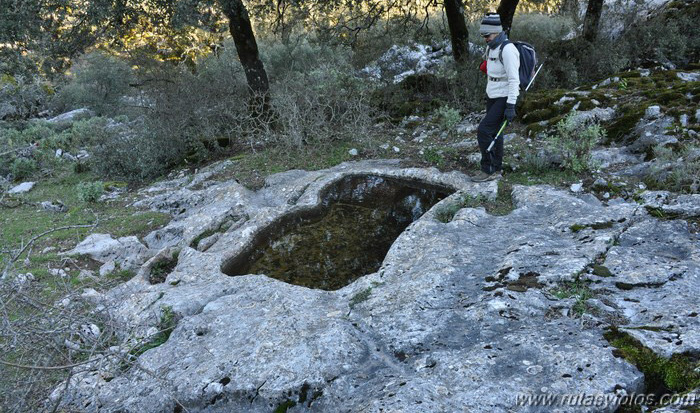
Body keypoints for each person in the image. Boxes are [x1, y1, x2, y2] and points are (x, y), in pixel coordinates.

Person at [472, 13, 520, 182]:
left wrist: (511, 105)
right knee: (496, 134)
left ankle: (487, 169)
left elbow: (514, 80)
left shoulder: (508, 50)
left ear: (497, 32)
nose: (485, 38)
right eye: (483, 35)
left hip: (504, 97)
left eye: (488, 35)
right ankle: (497, 169)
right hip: (492, 94)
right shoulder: (491, 47)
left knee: (484, 130)